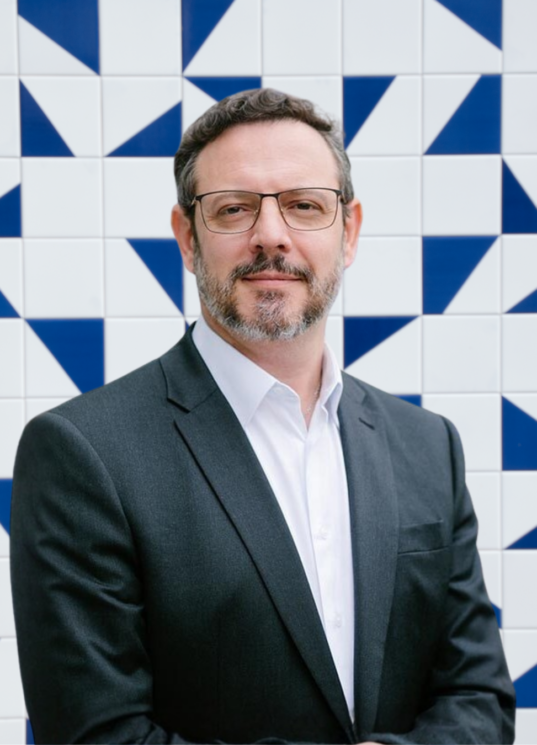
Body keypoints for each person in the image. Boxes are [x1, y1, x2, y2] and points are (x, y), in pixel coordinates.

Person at [11, 88, 515, 745]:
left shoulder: (427, 446)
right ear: (187, 238)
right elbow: (98, 735)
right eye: (233, 208)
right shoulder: (82, 453)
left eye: (304, 205)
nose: (271, 235)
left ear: (348, 231)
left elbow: (478, 700)